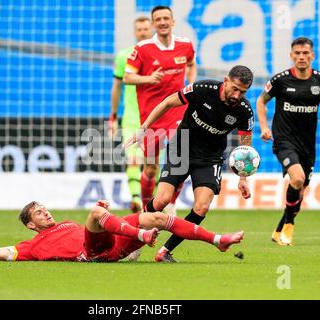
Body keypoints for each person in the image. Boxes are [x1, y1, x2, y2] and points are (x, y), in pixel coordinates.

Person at [124, 65, 255, 262]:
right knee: (162, 200)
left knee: (201, 207)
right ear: (226, 80)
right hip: (182, 147)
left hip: (209, 158)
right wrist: (144, 128)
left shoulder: (244, 111)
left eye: (242, 92)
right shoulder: (203, 89)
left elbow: (245, 147)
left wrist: (243, 178)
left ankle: (165, 250)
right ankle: (135, 240)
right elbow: (168, 102)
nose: (237, 95)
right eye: (234, 89)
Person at [0, 200, 244, 262]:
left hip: (111, 242)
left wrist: (104, 214)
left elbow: (98, 223)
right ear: (30, 225)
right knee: (96, 213)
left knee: (158, 218)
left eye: (44, 207)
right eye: (38, 212)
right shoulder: (30, 246)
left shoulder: (66, 223)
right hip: (91, 254)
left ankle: (217, 241)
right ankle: (140, 240)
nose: (46, 211)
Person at [256, 37, 320, 246]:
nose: (301, 57)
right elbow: (261, 100)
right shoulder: (280, 80)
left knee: (300, 192)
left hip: (307, 144)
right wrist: (264, 127)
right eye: (297, 53)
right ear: (291, 55)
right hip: (284, 140)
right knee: (297, 179)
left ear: (312, 55)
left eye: (305, 53)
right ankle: (290, 227)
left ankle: (278, 231)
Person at [123, 5, 196, 213]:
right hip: (152, 114)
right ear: (154, 24)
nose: (163, 22)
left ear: (173, 22)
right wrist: (149, 78)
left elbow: (191, 64)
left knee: (180, 160)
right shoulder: (142, 49)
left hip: (177, 110)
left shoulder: (185, 45)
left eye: (166, 18)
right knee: (151, 167)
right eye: (158, 19)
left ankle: (170, 205)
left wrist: (190, 85)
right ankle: (148, 209)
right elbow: (128, 77)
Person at [108, 16, 153, 213]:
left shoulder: (158, 56)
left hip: (155, 116)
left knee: (153, 162)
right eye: (139, 29)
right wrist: (113, 116)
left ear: (151, 30)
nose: (143, 32)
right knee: (133, 159)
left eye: (145, 29)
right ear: (135, 32)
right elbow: (117, 86)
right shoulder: (123, 56)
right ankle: (136, 199)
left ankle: (152, 203)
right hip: (132, 117)